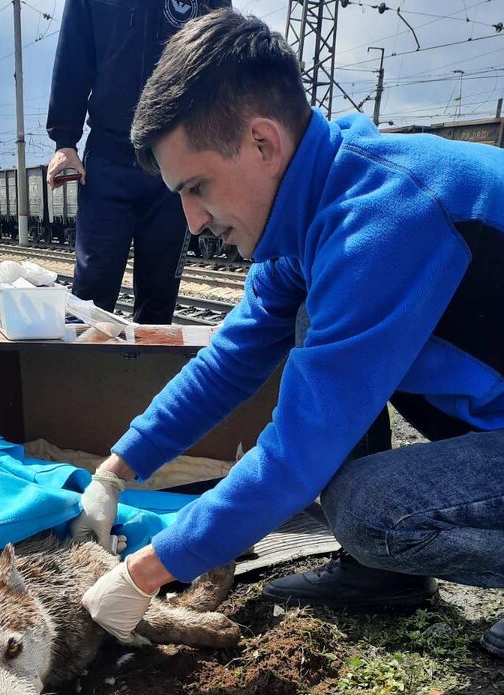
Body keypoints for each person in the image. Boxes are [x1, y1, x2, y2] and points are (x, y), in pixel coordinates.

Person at [72, 9, 504, 657]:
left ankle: (381, 556)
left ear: (262, 143)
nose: (190, 221)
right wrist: (115, 470)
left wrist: (144, 573)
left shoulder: (384, 221)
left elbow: (296, 453)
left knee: (369, 507)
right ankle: (383, 578)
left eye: (196, 188)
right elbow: (230, 362)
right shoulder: (313, 212)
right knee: (316, 345)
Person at [46, 0, 229, 324]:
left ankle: (150, 374)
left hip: (176, 164)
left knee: (159, 300)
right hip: (107, 157)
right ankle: (78, 373)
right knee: (90, 295)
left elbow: (223, 57)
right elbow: (74, 52)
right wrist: (65, 140)